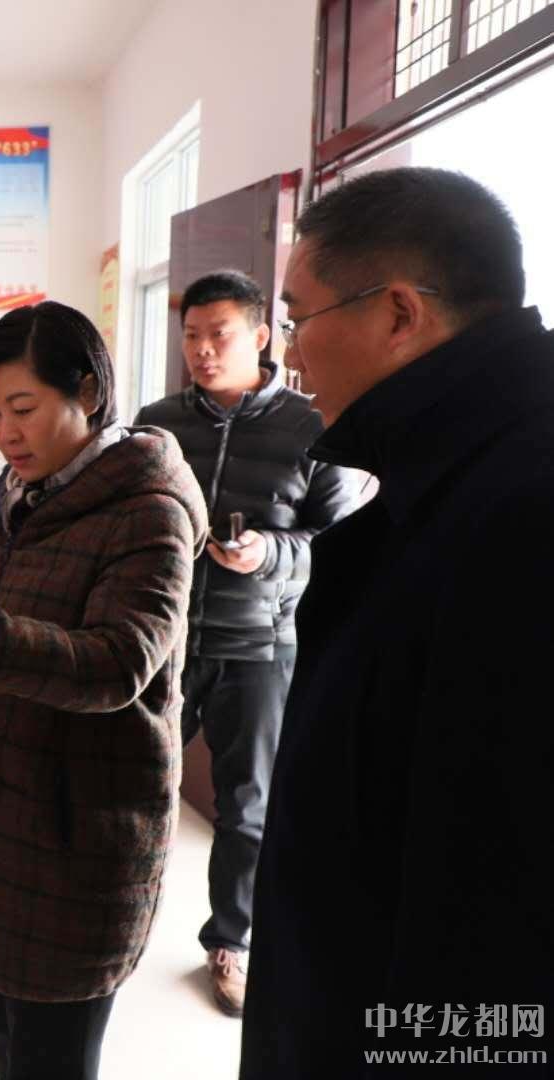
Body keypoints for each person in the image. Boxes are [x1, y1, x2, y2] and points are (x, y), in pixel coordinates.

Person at [241, 168, 554, 1076]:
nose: (289, 357)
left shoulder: (524, 507)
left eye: (297, 319)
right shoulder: (448, 479)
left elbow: (496, 904)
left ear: (399, 314)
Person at [0, 301, 206, 1080]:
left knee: (52, 1051)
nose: (6, 433)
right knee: (1, 1020)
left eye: (23, 408)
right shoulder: (14, 495)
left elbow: (119, 662)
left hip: (74, 837)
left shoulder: (146, 510)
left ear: (88, 391)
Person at [135, 270, 358, 1017]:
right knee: (129, 784)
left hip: (260, 644)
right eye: (192, 336)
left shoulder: (312, 424)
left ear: (261, 337)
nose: (202, 350)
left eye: (219, 335)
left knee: (247, 808)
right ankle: (113, 923)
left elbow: (337, 542)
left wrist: (269, 553)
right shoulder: (158, 423)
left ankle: (230, 941)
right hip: (164, 640)